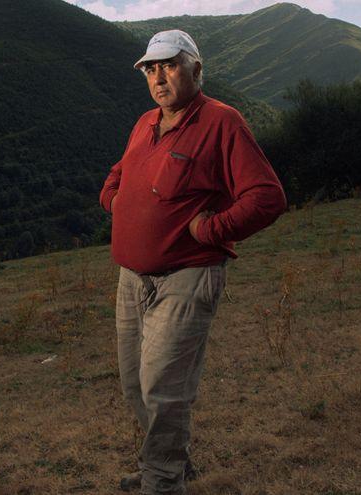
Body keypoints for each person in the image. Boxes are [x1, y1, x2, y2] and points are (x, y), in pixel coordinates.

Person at [99, 30, 287, 494]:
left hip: (187, 275)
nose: (159, 77)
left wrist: (211, 229)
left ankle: (163, 482)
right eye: (151, 68)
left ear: (196, 69)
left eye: (170, 65)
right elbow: (120, 173)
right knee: (135, 385)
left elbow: (267, 197)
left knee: (163, 388)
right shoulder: (145, 122)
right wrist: (113, 200)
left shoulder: (223, 122)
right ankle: (167, 463)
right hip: (132, 278)